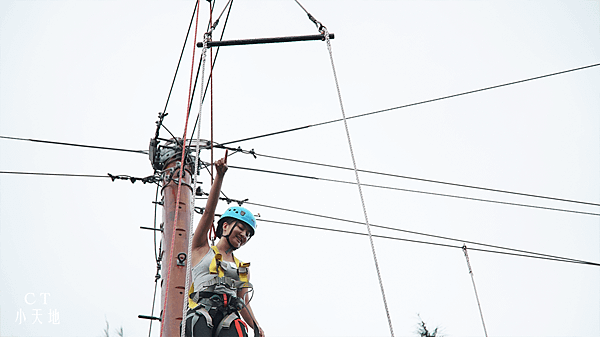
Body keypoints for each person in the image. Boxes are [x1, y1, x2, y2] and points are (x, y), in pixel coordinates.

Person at [185, 150, 265, 337]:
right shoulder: (201, 249)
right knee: (199, 323)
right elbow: (208, 213)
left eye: (248, 234)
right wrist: (219, 177)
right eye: (241, 228)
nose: (244, 235)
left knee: (238, 328)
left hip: (229, 318)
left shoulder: (241, 268)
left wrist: (256, 327)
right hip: (203, 312)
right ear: (226, 225)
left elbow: (244, 300)